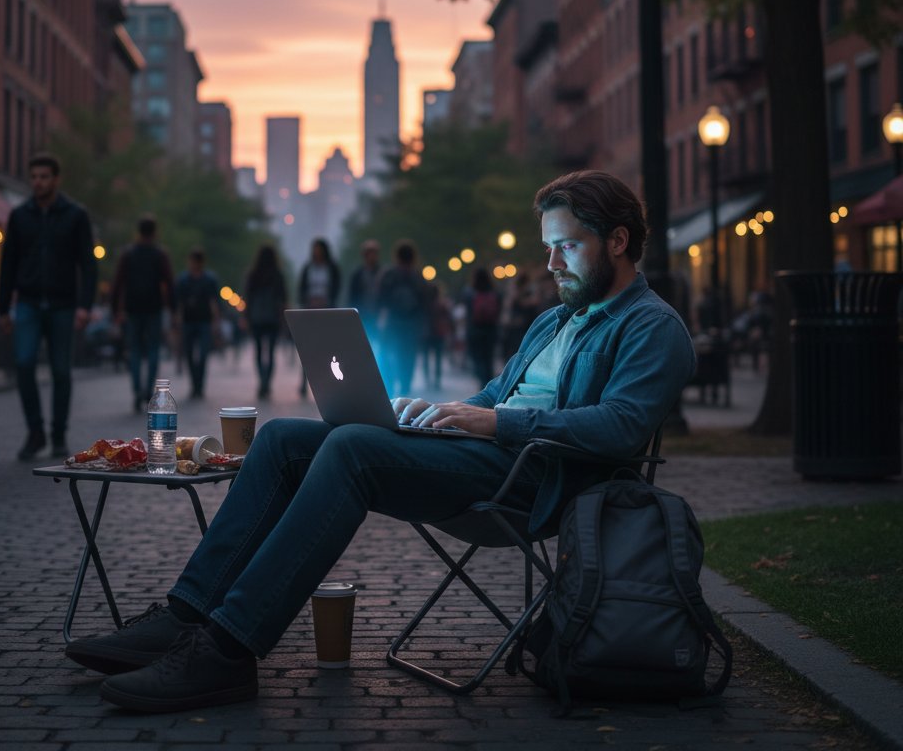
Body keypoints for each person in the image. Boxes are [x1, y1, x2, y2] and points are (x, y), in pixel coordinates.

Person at [62, 170, 695, 714]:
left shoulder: (652, 327)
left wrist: (495, 423)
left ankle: (227, 650)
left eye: (567, 247)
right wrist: (438, 411)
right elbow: (496, 393)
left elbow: (620, 427)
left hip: (537, 483)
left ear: (618, 241)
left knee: (350, 449)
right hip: (485, 458)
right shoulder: (555, 319)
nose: (551, 264)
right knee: (283, 438)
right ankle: (186, 614)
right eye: (548, 248)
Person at [0, 152, 96, 462]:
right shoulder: (19, 215)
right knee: (24, 364)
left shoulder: (75, 215)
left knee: (60, 372)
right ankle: (35, 431)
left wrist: (85, 305)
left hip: (62, 304)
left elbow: (88, 263)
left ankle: (57, 435)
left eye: (44, 177)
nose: (38, 182)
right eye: (34, 177)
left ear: (55, 179)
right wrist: (3, 307)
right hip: (27, 302)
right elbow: (8, 262)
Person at [110, 214, 176, 414]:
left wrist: (116, 310)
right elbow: (169, 283)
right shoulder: (160, 254)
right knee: (154, 349)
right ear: (154, 232)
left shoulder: (128, 254)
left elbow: (118, 283)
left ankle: (137, 389)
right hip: (154, 308)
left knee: (136, 350)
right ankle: (148, 389)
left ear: (139, 231)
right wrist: (172, 309)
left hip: (133, 309)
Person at [377, 240, 428, 397]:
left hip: (393, 323)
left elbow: (381, 299)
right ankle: (405, 387)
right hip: (411, 324)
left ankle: (390, 386)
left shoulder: (389, 274)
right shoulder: (418, 276)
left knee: (388, 354)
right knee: (408, 357)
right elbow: (425, 303)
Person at [174, 248, 221, 400]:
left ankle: (199, 385)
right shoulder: (183, 280)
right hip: (188, 321)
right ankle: (194, 384)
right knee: (188, 354)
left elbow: (214, 301)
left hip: (204, 322)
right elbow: (179, 302)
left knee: (203, 355)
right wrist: (179, 320)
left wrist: (215, 321)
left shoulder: (209, 279)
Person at [243, 244, 288, 399]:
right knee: (271, 352)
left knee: (259, 351)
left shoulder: (253, 274)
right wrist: (284, 318)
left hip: (256, 318)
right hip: (273, 318)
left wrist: (246, 317)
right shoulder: (277, 275)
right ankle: (267, 382)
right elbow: (283, 298)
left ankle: (261, 381)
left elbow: (247, 297)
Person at [296, 238, 340, 396]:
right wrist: (308, 301)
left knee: (327, 349)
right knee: (308, 347)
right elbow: (301, 288)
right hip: (310, 312)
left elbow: (336, 288)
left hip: (326, 311)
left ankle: (326, 383)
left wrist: (327, 301)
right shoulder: (308, 268)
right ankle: (304, 381)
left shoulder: (332, 268)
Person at [465, 266, 501, 387]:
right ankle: (488, 384)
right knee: (488, 359)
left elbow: (468, 313)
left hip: (475, 331)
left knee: (477, 359)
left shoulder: (469, 292)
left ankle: (481, 382)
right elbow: (498, 311)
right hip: (490, 330)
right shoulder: (494, 292)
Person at [347, 239, 383, 341]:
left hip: (377, 315)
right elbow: (352, 296)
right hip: (362, 315)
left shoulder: (383, 273)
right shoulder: (357, 274)